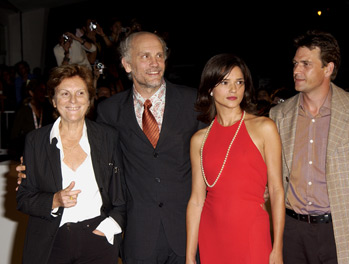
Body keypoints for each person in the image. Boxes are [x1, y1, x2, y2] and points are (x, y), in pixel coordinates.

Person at [269, 30, 349, 263]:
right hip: (292, 230)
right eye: (295, 64)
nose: (296, 71)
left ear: (328, 69)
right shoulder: (278, 115)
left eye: (305, 64)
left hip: (342, 228)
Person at [96, 31, 204, 263]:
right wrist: (38, 169)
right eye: (145, 56)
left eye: (159, 55)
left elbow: (216, 155)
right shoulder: (109, 111)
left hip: (189, 233)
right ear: (127, 64)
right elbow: (97, 164)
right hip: (139, 236)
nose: (155, 63)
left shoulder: (194, 102)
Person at [16, 64, 126, 264]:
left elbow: (121, 194)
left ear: (89, 99)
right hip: (52, 241)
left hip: (99, 240)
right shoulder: (35, 141)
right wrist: (54, 200)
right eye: (65, 93)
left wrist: (109, 228)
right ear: (53, 100)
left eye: (80, 93)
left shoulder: (108, 137)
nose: (73, 100)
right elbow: (23, 198)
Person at [186, 53, 284, 264]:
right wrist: (189, 255)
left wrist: (277, 247)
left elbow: (276, 190)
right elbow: (196, 200)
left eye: (239, 82)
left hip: (252, 233)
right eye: (225, 82)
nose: (234, 89)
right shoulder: (199, 140)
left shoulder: (264, 128)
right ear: (210, 88)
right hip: (211, 234)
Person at [10, 78, 54, 161]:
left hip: (43, 153)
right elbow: (14, 135)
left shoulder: (46, 110)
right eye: (40, 91)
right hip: (27, 152)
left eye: (45, 91)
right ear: (31, 93)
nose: (43, 94)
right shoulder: (23, 110)